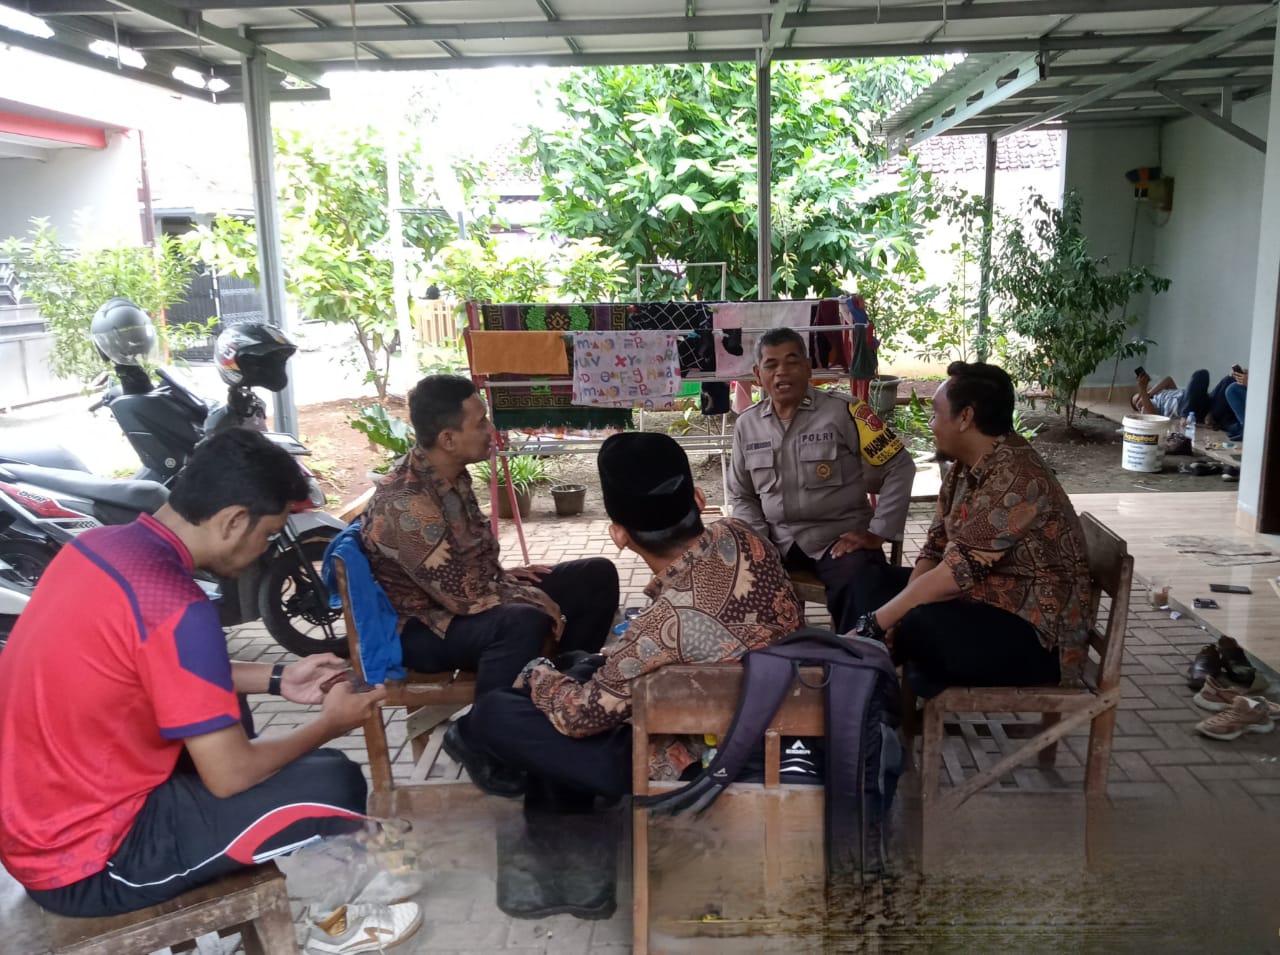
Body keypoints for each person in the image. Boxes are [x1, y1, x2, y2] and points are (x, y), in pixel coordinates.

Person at [0, 430, 388, 921]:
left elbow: (148, 666)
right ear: (234, 521)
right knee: (333, 783)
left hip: (38, 825)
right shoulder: (178, 605)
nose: (263, 550)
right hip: (90, 863)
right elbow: (230, 776)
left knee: (259, 733)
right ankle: (337, 925)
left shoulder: (97, 547)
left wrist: (279, 678)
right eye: (268, 535)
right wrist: (331, 723)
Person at [466, 432, 803, 918]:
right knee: (582, 668)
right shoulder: (743, 536)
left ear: (619, 534)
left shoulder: (658, 630)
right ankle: (570, 863)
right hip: (778, 723)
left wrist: (537, 671)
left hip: (703, 762)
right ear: (699, 499)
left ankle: (570, 869)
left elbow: (579, 718)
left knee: (499, 712)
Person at [361, 375, 619, 797]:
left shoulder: (452, 476)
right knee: (520, 621)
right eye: (480, 422)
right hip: (422, 627)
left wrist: (510, 578)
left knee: (595, 576)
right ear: (448, 438)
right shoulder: (405, 503)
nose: (491, 430)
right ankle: (484, 738)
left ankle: (555, 698)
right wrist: (533, 598)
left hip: (463, 598)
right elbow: (462, 597)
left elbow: (473, 565)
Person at [852, 362, 1093, 697]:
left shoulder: (1018, 478)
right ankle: (875, 689)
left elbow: (953, 575)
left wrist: (878, 623)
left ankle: (872, 688)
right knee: (869, 581)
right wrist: (894, 615)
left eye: (936, 414)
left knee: (917, 624)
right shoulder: (965, 468)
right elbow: (934, 548)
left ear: (965, 417)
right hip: (983, 600)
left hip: (1038, 638)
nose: (931, 424)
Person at [728, 327, 915, 633]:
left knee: (861, 582)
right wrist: (758, 542)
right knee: (735, 577)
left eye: (792, 361)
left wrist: (878, 532)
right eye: (771, 365)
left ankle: (858, 655)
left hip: (838, 538)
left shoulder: (847, 411)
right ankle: (774, 657)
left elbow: (900, 466)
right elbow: (742, 495)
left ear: (808, 368)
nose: (782, 372)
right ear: (757, 375)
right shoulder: (747, 425)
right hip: (778, 541)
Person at [1132, 367, 1242, 440]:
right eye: (1137, 401)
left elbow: (1168, 380)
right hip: (1190, 412)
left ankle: (1211, 415)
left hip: (1201, 400)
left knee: (1227, 379)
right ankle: (1186, 417)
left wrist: (1148, 393)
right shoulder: (1146, 410)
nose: (1140, 399)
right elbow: (1152, 414)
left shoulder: (1160, 394)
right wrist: (1142, 390)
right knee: (1200, 374)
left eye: (1139, 396)